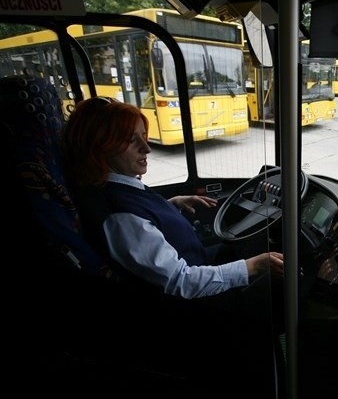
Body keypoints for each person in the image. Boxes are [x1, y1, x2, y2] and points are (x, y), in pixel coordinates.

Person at [61, 96, 285, 299]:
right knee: (279, 285)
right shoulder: (120, 215)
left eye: (143, 136)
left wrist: (170, 205)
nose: (147, 148)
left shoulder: (117, 186)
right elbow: (181, 281)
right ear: (101, 148)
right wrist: (253, 267)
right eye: (132, 141)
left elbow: (143, 225)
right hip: (197, 299)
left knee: (249, 242)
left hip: (197, 261)